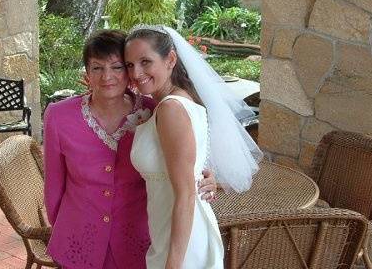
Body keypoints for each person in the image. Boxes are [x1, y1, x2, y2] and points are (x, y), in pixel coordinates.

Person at [43, 30, 217, 269]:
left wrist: (205, 175)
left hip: (140, 241)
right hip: (78, 240)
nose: (107, 77)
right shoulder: (59, 115)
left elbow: (183, 153)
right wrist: (64, 231)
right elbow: (54, 187)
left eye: (117, 67)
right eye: (97, 68)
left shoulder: (154, 109)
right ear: (86, 73)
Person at [125, 25, 263, 269]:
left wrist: (173, 264)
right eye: (129, 65)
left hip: (182, 242)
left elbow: (186, 195)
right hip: (170, 231)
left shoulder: (170, 109)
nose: (136, 72)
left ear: (171, 60)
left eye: (145, 61)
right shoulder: (175, 102)